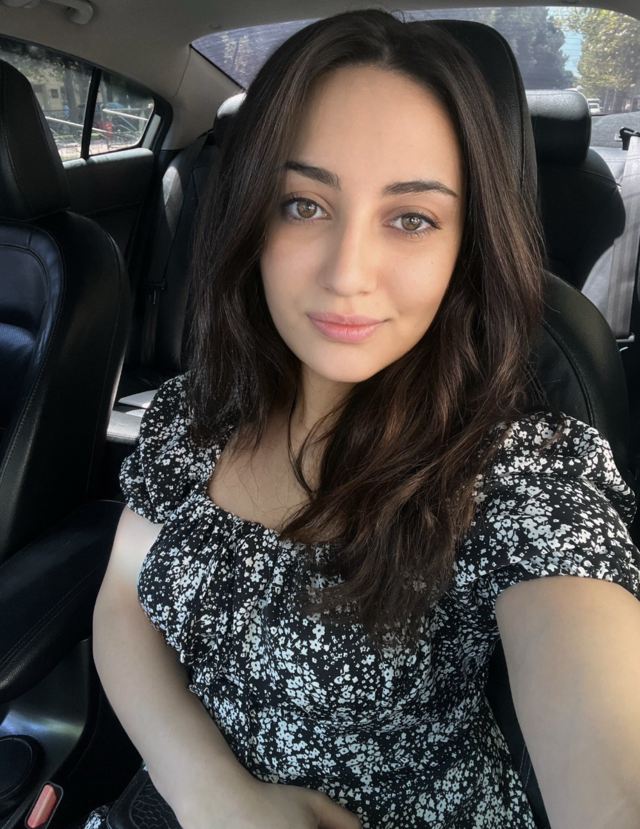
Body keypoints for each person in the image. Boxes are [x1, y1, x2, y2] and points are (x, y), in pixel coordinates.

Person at [83, 9, 640, 829]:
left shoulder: (519, 472)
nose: (347, 273)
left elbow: (613, 775)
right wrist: (212, 792)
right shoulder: (195, 412)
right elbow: (123, 603)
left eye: (411, 218)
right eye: (303, 204)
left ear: (464, 246)